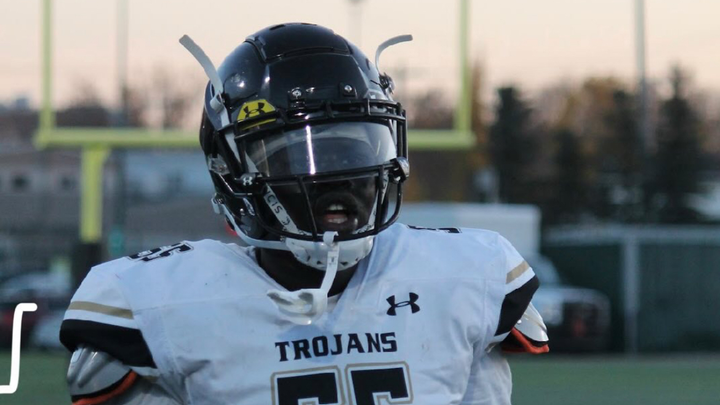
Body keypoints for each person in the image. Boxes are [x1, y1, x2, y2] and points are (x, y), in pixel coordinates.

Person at [60, 23, 548, 405]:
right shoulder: (158, 304)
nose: (337, 178)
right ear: (231, 172)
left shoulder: (468, 276)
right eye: (296, 154)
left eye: (355, 148)